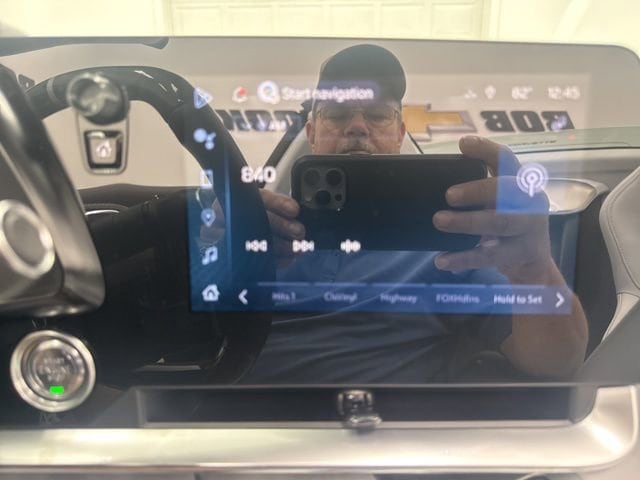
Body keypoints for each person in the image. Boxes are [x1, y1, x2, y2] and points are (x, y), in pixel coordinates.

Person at [235, 44, 589, 383]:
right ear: (311, 134)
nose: (357, 126)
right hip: (240, 417)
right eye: (337, 114)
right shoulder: (261, 225)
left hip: (388, 421)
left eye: (377, 115)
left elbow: (557, 362)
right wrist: (228, 248)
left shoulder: (449, 236)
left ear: (399, 134)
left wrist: (533, 271)